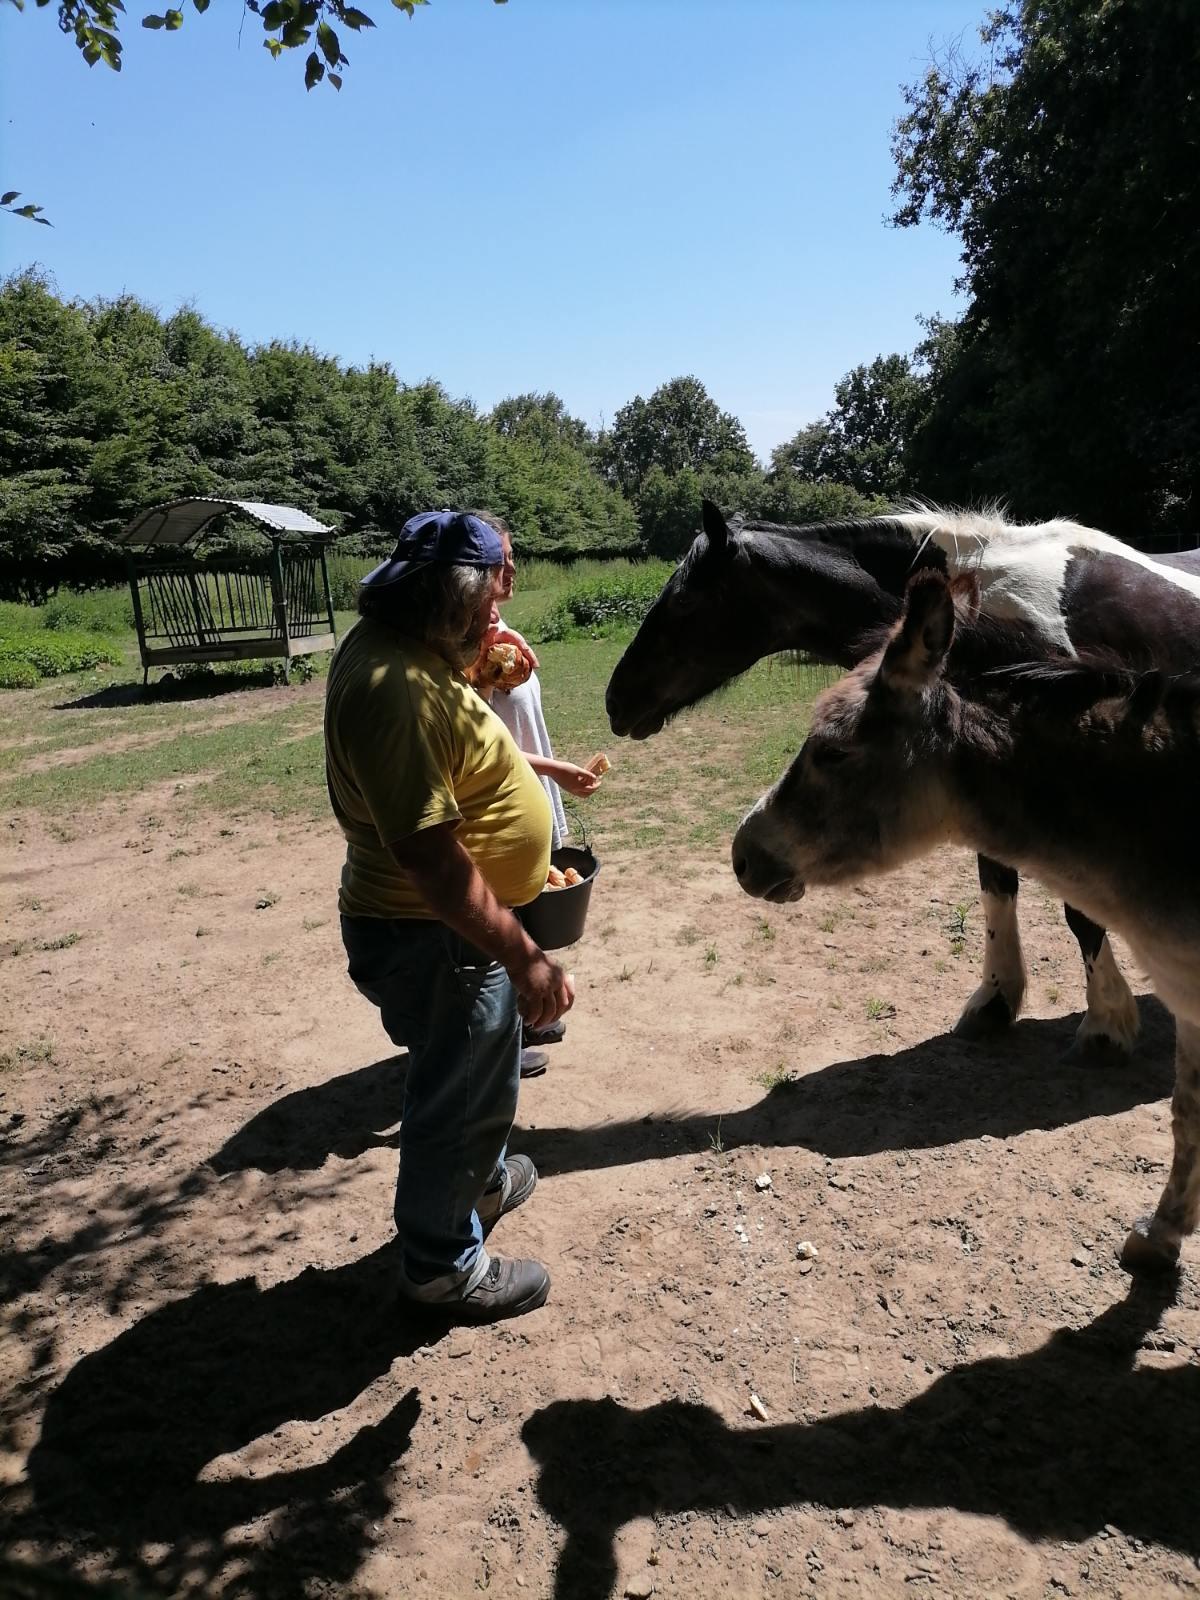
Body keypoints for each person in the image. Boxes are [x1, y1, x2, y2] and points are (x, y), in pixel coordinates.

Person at [324, 509, 573, 1323]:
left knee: (482, 1071)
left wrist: (485, 669)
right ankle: (439, 1264)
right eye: (493, 595)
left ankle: (484, 1178)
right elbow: (433, 864)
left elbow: (455, 736)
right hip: (432, 938)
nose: (503, 606)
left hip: (448, 940)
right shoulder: (392, 690)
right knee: (452, 1097)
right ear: (453, 601)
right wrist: (526, 956)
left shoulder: (410, 651)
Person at [470, 511, 601, 1068]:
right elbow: (482, 748)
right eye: (501, 560)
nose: (511, 569)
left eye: (512, 556)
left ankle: (529, 1015)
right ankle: (507, 1038)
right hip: (503, 802)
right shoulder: (464, 656)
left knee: (529, 910)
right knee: (503, 920)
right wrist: (559, 769)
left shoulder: (498, 636)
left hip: (533, 794)